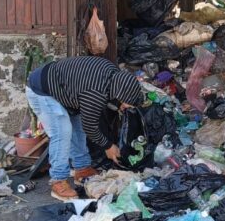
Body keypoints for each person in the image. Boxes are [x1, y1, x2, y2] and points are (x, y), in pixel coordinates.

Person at [26, 56, 144, 200]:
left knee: (77, 128)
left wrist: (119, 104)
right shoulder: (95, 92)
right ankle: (58, 182)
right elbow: (90, 127)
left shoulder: (113, 73)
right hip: (41, 91)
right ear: (121, 94)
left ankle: (82, 169)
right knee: (62, 132)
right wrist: (108, 146)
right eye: (127, 104)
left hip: (64, 90)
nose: (126, 107)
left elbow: (87, 120)